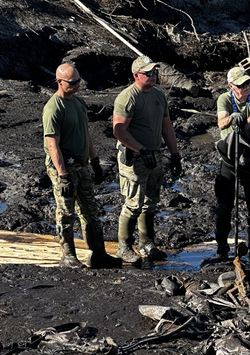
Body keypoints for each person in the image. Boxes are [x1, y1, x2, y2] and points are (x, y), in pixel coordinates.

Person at [42, 63, 122, 269]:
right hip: (64, 167)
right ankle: (68, 256)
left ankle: (98, 254)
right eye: (73, 82)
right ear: (60, 82)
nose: (78, 85)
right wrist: (62, 174)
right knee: (66, 211)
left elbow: (86, 135)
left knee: (90, 210)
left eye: (79, 81)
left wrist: (95, 162)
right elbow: (52, 144)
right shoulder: (53, 108)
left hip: (82, 164)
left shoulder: (78, 103)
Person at [113, 55, 182, 263]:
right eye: (148, 73)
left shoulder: (159, 96)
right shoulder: (127, 97)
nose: (152, 77)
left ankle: (147, 243)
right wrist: (140, 150)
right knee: (133, 203)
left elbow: (166, 126)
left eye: (154, 73)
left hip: (155, 154)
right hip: (135, 157)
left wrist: (175, 153)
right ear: (136, 75)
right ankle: (124, 246)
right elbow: (119, 131)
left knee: (151, 201)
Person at [213, 66, 250, 260]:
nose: (246, 88)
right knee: (224, 205)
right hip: (229, 156)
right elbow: (220, 123)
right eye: (241, 85)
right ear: (231, 86)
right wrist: (230, 118)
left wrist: (243, 121)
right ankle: (221, 248)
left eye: (247, 83)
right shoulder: (224, 99)